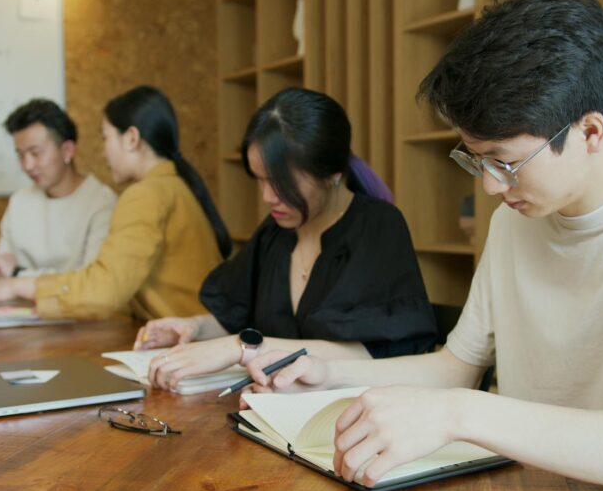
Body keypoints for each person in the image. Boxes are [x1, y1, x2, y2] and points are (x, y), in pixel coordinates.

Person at [242, 0, 603, 491]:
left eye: (506, 162)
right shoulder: (516, 221)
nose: (492, 186)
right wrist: (329, 374)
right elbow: (456, 366)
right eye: (477, 159)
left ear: (589, 132)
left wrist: (462, 413)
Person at [136, 87, 438, 391]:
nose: (268, 197)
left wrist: (242, 348)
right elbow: (237, 316)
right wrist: (193, 328)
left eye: (281, 183)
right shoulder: (276, 233)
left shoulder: (377, 227)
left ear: (332, 173)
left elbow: (373, 352)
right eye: (261, 180)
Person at [0, 86, 230, 321]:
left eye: (105, 138)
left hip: (189, 345)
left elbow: (103, 290)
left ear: (131, 138)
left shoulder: (145, 195)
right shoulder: (171, 186)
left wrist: (15, 282)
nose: (103, 151)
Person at [0, 99, 117, 277]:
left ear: (67, 150)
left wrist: (18, 274)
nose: (27, 165)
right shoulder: (19, 201)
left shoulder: (101, 202)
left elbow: (90, 284)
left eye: (35, 153)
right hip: (17, 305)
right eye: (20, 155)